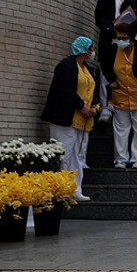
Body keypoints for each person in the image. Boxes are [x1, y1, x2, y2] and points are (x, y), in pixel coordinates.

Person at [42, 36, 100, 201]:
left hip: (83, 121)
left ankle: (75, 189)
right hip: (65, 118)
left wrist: (94, 108)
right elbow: (64, 90)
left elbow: (92, 90)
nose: (92, 52)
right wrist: (81, 106)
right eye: (91, 49)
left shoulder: (87, 69)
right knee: (64, 155)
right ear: (83, 50)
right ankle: (60, 190)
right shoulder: (65, 66)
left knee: (78, 155)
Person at [102, 21, 137, 168]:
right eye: (118, 38)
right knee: (121, 129)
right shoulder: (113, 50)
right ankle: (121, 158)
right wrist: (111, 81)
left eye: (124, 38)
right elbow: (105, 66)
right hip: (120, 96)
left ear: (131, 38)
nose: (121, 41)